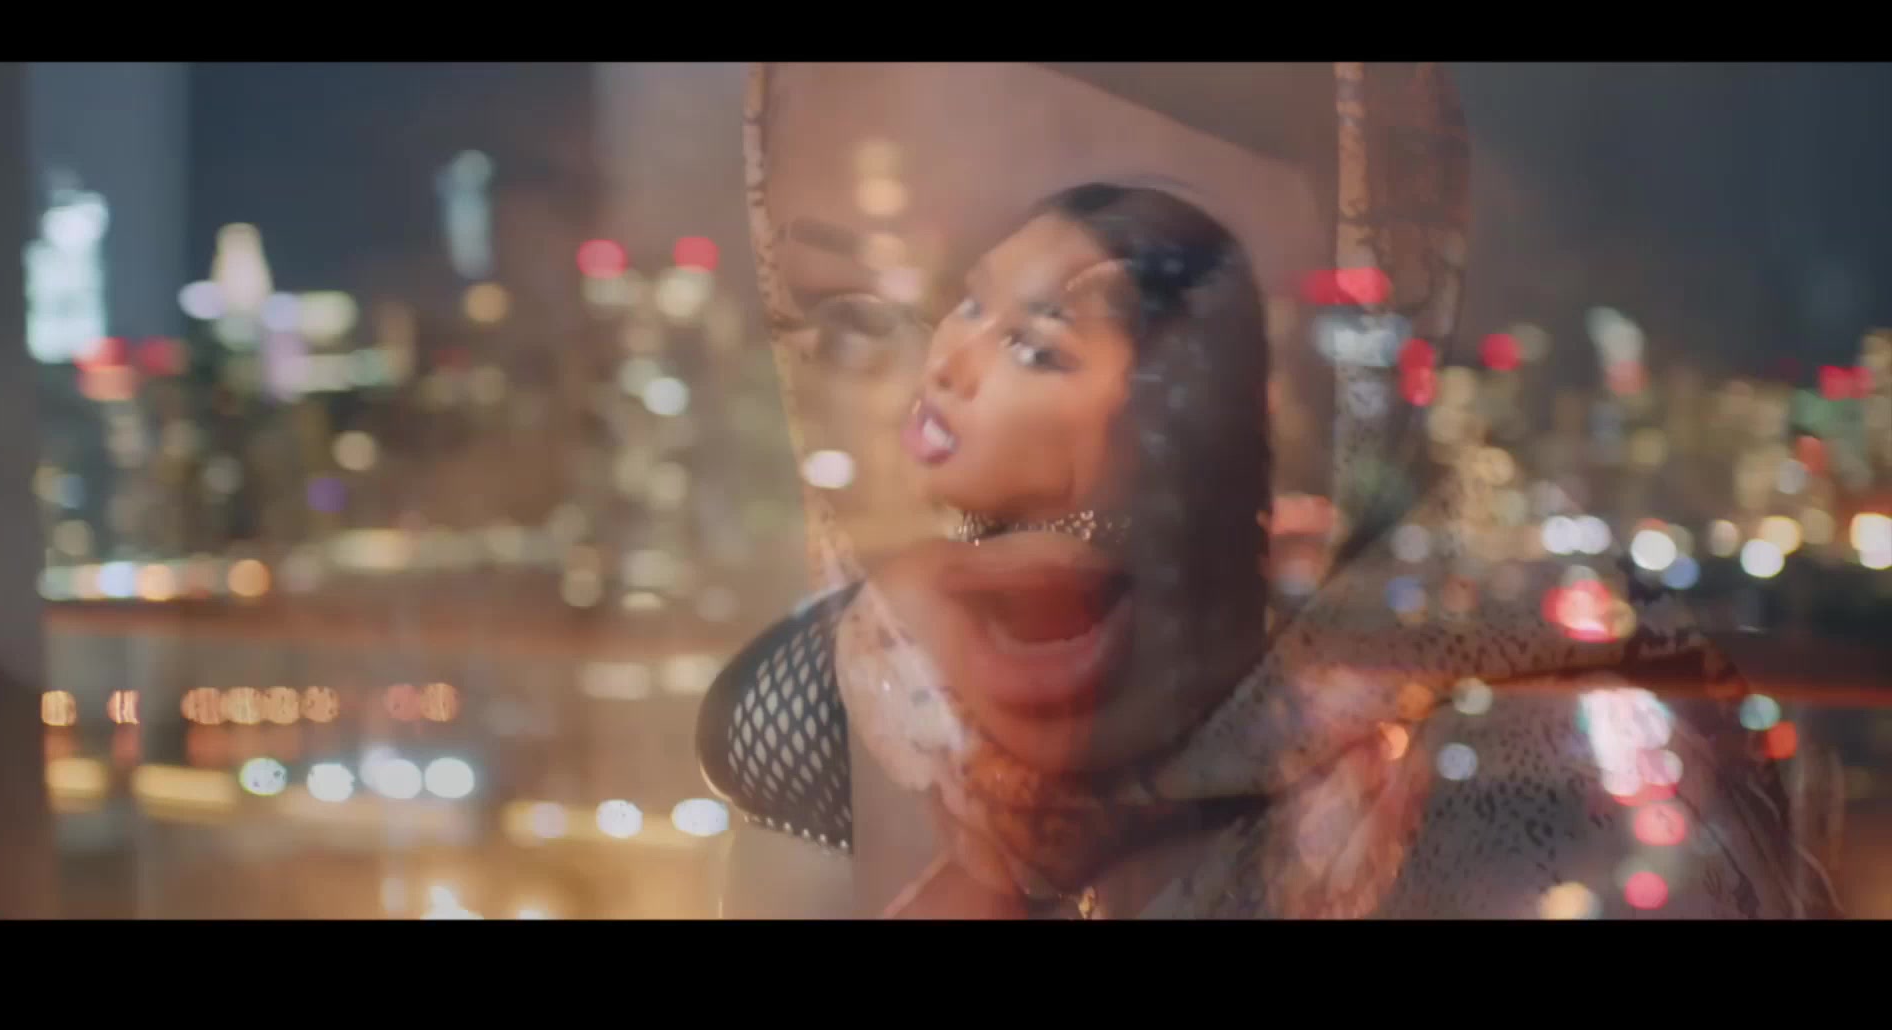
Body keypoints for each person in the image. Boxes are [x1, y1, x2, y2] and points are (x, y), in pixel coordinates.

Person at [698, 62, 1844, 919]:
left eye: (1045, 341)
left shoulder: (1489, 741)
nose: (944, 367)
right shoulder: (864, 680)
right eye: (857, 315)